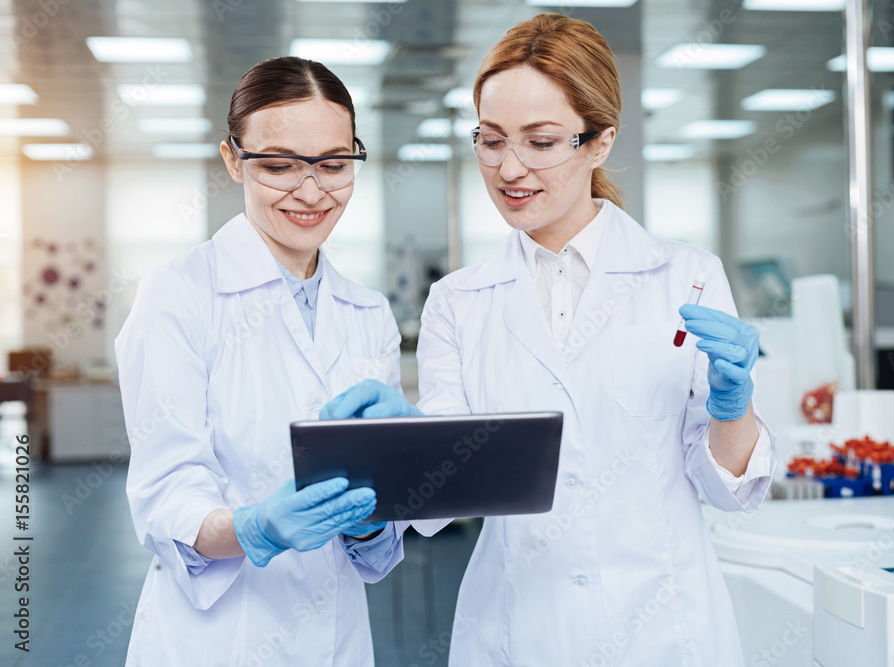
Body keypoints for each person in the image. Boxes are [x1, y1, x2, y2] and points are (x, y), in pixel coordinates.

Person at [332, 13, 775, 665]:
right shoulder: (459, 301)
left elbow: (728, 489)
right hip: (518, 627)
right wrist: (402, 449)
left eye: (541, 142)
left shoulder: (687, 278)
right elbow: (440, 491)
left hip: (662, 627)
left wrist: (734, 409)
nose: (509, 168)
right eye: (490, 140)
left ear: (599, 142)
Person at [115, 56, 404, 666]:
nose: (310, 191)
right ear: (232, 159)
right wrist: (253, 529)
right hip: (217, 640)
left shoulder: (368, 312)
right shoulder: (179, 294)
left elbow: (378, 550)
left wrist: (374, 519)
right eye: (277, 165)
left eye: (333, 165)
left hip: (337, 637)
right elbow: (167, 494)